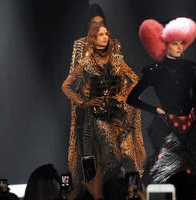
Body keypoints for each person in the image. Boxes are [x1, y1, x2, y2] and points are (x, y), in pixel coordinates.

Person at [126, 17, 196, 196]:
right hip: (167, 125)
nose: (180, 47)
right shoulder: (155, 71)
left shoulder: (188, 68)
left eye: (181, 43)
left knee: (193, 165)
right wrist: (155, 110)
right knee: (165, 167)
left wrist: (191, 108)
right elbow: (132, 98)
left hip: (188, 124)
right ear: (164, 45)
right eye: (175, 44)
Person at [62, 22, 146, 199]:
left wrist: (124, 96)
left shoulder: (117, 60)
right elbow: (66, 86)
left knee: (128, 157)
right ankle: (99, 191)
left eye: (106, 34)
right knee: (111, 157)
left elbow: (135, 79)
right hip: (97, 116)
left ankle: (124, 193)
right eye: (100, 35)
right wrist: (83, 102)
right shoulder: (85, 63)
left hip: (118, 114)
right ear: (93, 38)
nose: (105, 37)